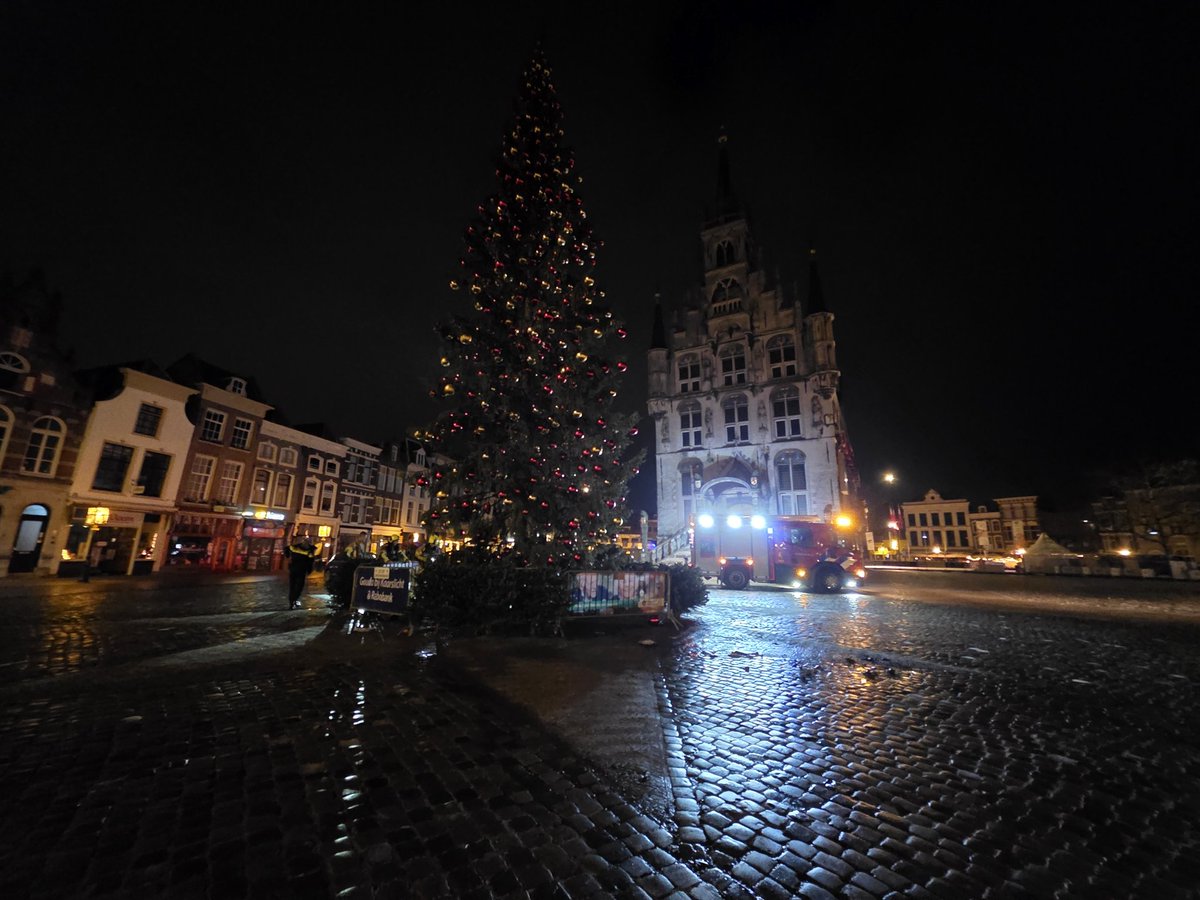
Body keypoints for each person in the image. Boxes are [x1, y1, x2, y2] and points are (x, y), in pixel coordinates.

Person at [284, 534, 318, 609]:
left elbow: (286, 548)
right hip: (302, 571)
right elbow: (310, 562)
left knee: (292, 586)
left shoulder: (295, 547)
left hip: (293, 569)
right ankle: (294, 600)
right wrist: (309, 571)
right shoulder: (309, 550)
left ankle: (291, 602)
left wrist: (288, 557)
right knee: (299, 587)